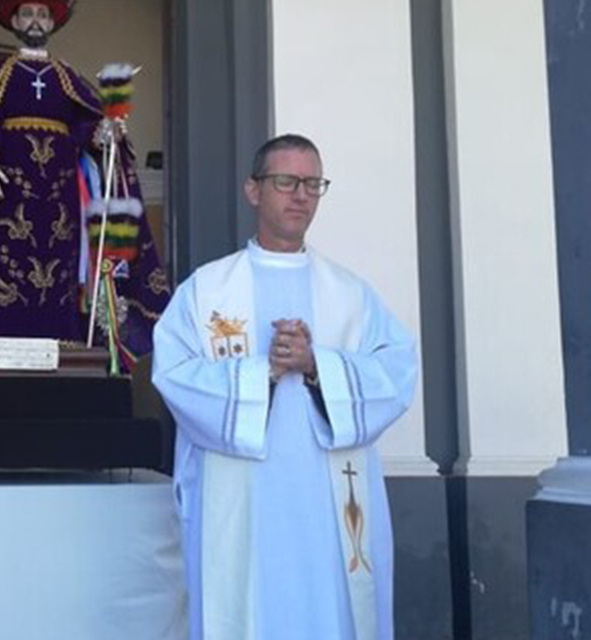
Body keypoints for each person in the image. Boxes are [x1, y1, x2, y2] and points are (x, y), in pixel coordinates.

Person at [152, 134, 418, 639]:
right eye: (286, 182)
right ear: (254, 191)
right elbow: (172, 375)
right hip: (242, 505)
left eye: (312, 183)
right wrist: (264, 374)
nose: (301, 195)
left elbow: (398, 374)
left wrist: (318, 365)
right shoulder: (206, 291)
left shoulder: (350, 294)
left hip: (329, 507)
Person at [0, 0, 170, 364]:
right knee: (10, 261)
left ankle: (64, 338)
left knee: (61, 266)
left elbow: (84, 125)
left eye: (42, 14)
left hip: (59, 192)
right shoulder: (0, 73)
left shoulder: (66, 75)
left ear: (52, 23)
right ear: (13, 20)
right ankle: (7, 336)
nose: (35, 21)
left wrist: (105, 133)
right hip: (11, 190)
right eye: (27, 13)